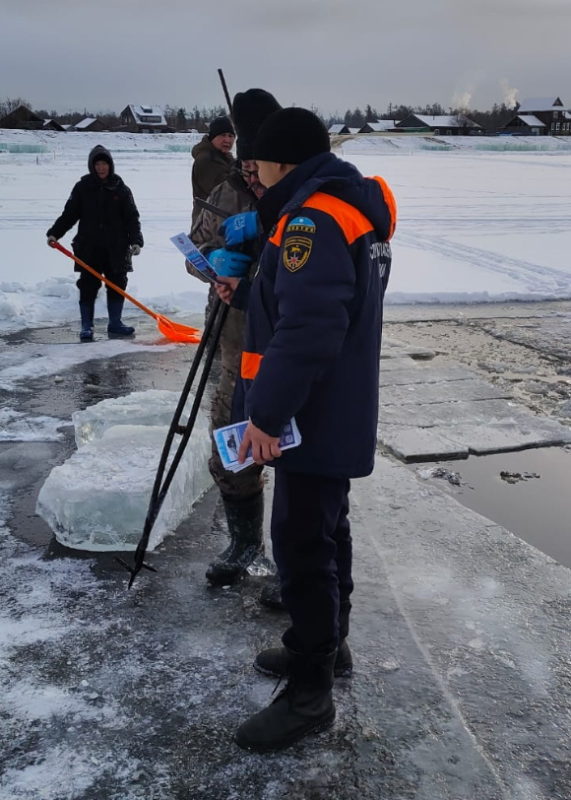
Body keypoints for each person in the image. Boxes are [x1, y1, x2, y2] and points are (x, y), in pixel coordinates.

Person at [216, 107, 396, 752]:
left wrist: (267, 415)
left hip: (308, 414)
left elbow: (311, 327)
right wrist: (248, 291)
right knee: (326, 529)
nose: (253, 176)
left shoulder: (311, 221)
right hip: (332, 406)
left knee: (299, 544)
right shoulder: (347, 209)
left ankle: (310, 693)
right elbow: (313, 302)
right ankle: (330, 646)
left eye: (257, 164)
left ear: (282, 161)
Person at [188, 90, 282, 597]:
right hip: (232, 339)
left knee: (294, 454)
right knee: (229, 445)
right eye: (244, 165)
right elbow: (195, 246)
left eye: (258, 166)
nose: (252, 176)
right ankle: (245, 544)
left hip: (283, 341)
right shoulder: (224, 192)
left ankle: (293, 560)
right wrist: (216, 258)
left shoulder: (297, 195)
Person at [47, 145, 143, 341]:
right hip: (89, 247)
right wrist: (55, 233)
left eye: (104, 163)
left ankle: (115, 323)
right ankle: (86, 325)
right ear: (92, 166)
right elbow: (69, 215)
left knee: (117, 284)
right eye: (97, 164)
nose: (101, 168)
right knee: (88, 285)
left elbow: (132, 217)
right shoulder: (83, 188)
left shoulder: (121, 189)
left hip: (116, 247)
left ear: (110, 165)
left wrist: (136, 240)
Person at [191, 116, 235, 225]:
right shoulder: (206, 160)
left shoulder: (226, 158)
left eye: (231, 136)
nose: (227, 140)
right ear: (212, 138)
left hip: (220, 222)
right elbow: (227, 190)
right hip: (208, 225)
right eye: (222, 135)